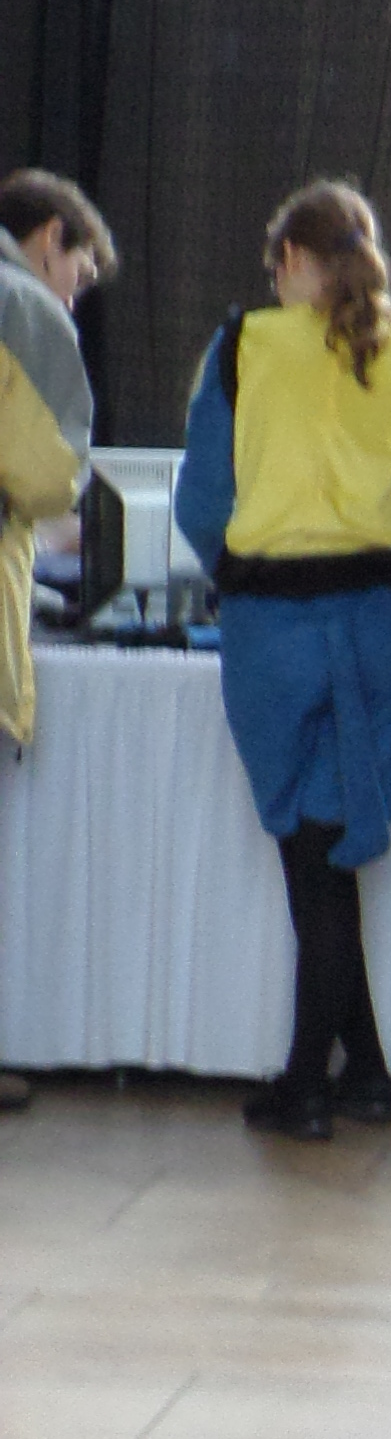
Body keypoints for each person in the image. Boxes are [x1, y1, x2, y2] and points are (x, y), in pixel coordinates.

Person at [176, 180, 391, 1144]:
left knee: (312, 860)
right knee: (329, 857)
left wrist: (242, 566)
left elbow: (200, 503)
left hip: (272, 631)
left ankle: (305, 1083)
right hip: (380, 630)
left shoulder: (242, 348)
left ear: (293, 260)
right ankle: (367, 1071)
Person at [0, 170, 104, 1115]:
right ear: (49, 240)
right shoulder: (24, 307)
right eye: (79, 271)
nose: (74, 295)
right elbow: (50, 477)